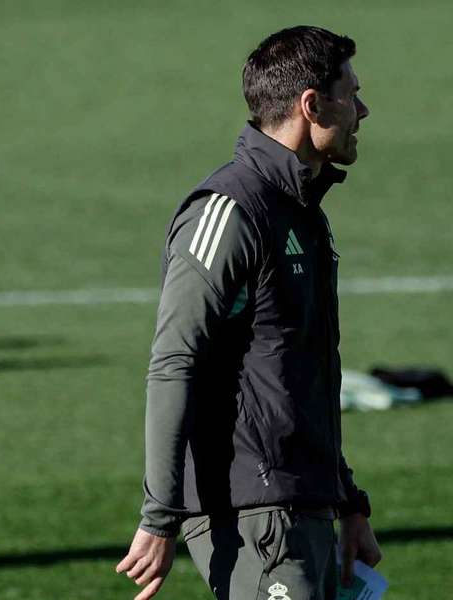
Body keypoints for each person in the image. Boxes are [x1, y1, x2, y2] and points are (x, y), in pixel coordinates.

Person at [115, 26, 381, 600]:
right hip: (254, 514)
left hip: (303, 501)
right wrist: (160, 513)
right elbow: (173, 362)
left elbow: (299, 376)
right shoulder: (229, 210)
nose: (362, 109)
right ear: (312, 105)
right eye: (350, 93)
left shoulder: (302, 211)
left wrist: (347, 499)